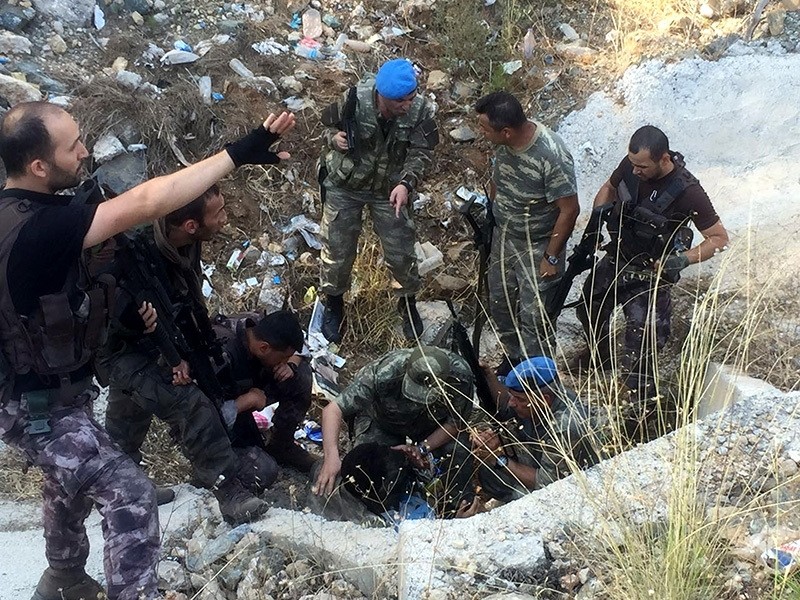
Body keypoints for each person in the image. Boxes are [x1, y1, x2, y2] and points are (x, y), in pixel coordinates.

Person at [0, 100, 294, 600]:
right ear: (39, 166)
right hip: (37, 406)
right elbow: (149, 201)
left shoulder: (18, 213)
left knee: (66, 480)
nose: (85, 151)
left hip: (50, 393)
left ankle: (63, 578)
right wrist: (238, 153)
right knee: (130, 493)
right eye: (73, 146)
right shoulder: (41, 229)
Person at [100, 186, 284, 525]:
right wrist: (168, 357)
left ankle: (123, 487)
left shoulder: (185, 245)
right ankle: (229, 491)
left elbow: (185, 304)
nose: (225, 219)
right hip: (124, 351)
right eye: (219, 213)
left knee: (127, 416)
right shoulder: (136, 255)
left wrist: (192, 350)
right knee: (191, 405)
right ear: (190, 225)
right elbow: (116, 316)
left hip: (159, 344)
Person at [576, 125, 729, 398]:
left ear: (664, 159)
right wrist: (597, 219)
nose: (636, 171)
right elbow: (609, 187)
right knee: (588, 307)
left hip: (651, 275)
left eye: (643, 167)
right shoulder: (631, 165)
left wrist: (681, 261)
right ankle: (600, 356)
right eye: (633, 163)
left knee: (642, 341)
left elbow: (719, 238)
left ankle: (636, 397)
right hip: (618, 258)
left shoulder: (689, 191)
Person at [318, 58, 439, 343]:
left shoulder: (420, 110)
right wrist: (334, 139)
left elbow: (422, 152)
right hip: (346, 184)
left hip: (390, 188)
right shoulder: (353, 99)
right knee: (336, 249)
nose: (407, 106)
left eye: (410, 98)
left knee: (401, 251)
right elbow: (325, 128)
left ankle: (407, 302)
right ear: (381, 96)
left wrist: (406, 183)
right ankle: (334, 303)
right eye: (400, 101)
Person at [475, 91, 579, 373]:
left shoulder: (551, 155)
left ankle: (537, 376)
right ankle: (514, 359)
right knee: (501, 303)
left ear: (506, 132)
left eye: (484, 128)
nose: (481, 132)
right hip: (504, 238)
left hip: (538, 245)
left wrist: (551, 257)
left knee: (536, 317)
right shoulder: (503, 145)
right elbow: (498, 179)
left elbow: (570, 210)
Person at [312, 346, 477, 517]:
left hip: (431, 426)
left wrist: (421, 449)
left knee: (457, 451)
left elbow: (455, 423)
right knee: (367, 468)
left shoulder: (460, 377)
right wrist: (331, 457)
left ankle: (457, 511)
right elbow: (333, 409)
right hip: (384, 423)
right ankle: (381, 514)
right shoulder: (384, 373)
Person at [472, 357, 597, 502]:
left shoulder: (565, 425)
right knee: (490, 474)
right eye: (512, 396)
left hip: (573, 484)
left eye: (519, 399)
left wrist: (498, 458)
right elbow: (506, 405)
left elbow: (547, 481)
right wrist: (489, 376)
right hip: (543, 460)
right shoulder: (545, 396)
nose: (512, 403)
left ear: (544, 400)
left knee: (520, 494)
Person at [213, 309, 317, 473]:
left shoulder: (259, 324)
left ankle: (282, 446)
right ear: (264, 348)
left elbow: (298, 344)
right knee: (263, 468)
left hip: (248, 389)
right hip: (219, 416)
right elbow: (202, 417)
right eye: (283, 358)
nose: (284, 362)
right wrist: (248, 401)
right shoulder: (221, 356)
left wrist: (291, 364)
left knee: (300, 373)